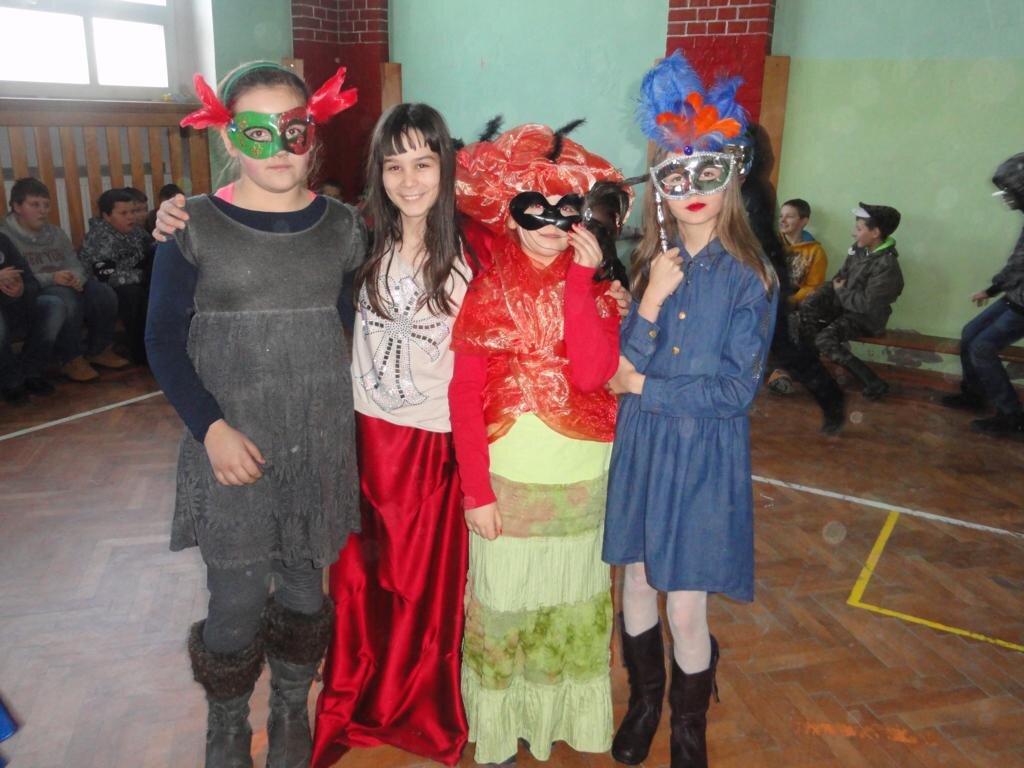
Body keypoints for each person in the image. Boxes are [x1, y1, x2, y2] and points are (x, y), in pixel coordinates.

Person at [145, 60, 362, 768]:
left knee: (303, 587)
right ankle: (227, 724)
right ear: (229, 137)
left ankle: (291, 709)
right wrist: (210, 428)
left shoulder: (343, 227)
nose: (278, 148)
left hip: (316, 441)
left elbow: (358, 321)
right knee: (235, 598)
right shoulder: (192, 225)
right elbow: (161, 340)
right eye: (256, 132)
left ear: (312, 134)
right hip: (230, 445)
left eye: (292, 130)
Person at [603, 51, 777, 768]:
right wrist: (648, 300)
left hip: (703, 454)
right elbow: (623, 363)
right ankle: (645, 703)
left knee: (685, 605)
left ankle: (687, 727)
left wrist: (646, 388)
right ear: (660, 189)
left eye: (708, 173)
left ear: (730, 178)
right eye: (676, 177)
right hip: (645, 446)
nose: (692, 190)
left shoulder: (751, 277)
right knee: (639, 585)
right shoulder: (650, 264)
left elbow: (736, 391)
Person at [449, 121, 625, 765]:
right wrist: (475, 491)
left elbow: (591, 374)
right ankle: (502, 727)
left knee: (570, 606)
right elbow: (464, 395)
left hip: (582, 472)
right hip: (510, 477)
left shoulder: (600, 290)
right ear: (510, 211)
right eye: (536, 206)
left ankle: (558, 719)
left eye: (565, 207)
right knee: (503, 608)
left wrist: (582, 281)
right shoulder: (487, 289)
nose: (551, 221)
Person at [311, 103, 478, 767]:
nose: (409, 180)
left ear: (446, 167)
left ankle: (414, 706)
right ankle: (356, 696)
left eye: (423, 163)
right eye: (394, 165)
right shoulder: (359, 241)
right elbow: (278, 224)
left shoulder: (475, 253)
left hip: (428, 449)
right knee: (359, 583)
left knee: (418, 587)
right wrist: (180, 214)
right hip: (362, 440)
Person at [0, 177, 127, 381]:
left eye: (46, 205)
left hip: (66, 282)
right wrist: (53, 277)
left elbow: (75, 263)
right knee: (66, 299)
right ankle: (70, 359)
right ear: (16, 206)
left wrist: (77, 277)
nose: (43, 211)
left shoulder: (56, 233)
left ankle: (99, 350)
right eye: (35, 205)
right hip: (39, 289)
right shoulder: (5, 236)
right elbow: (19, 278)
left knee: (104, 293)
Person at [941, 151, 1024, 438]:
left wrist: (992, 289)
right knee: (970, 334)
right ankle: (974, 395)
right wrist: (995, 289)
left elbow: (1019, 265)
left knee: (982, 347)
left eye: (1010, 191)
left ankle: (1012, 416)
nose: (1006, 197)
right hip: (1017, 295)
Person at [798, 202, 903, 400]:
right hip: (845, 307)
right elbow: (841, 277)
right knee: (806, 308)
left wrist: (840, 291)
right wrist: (818, 295)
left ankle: (873, 382)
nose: (853, 233)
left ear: (875, 233)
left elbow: (866, 305)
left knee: (824, 339)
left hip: (867, 318)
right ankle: (810, 366)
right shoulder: (859, 249)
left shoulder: (886, 266)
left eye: (859, 229)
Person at [79, 188, 150, 364]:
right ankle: (140, 351)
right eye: (124, 213)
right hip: (102, 288)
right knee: (133, 293)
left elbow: (149, 250)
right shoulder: (99, 237)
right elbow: (105, 275)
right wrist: (143, 276)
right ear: (107, 216)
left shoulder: (137, 232)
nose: (131, 217)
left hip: (132, 278)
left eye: (132, 211)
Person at [767, 197, 829, 394]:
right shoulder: (770, 245)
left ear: (804, 221)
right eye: (781, 216)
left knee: (790, 322)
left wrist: (791, 300)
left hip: (796, 302)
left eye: (790, 217)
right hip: (769, 296)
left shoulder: (815, 251)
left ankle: (781, 372)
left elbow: (814, 286)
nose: (783, 221)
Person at [0, 232, 63, 403]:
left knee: (53, 305)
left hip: (16, 306)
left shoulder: (2, 240)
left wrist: (21, 288)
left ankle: (31, 371)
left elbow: (30, 279)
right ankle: (9, 381)